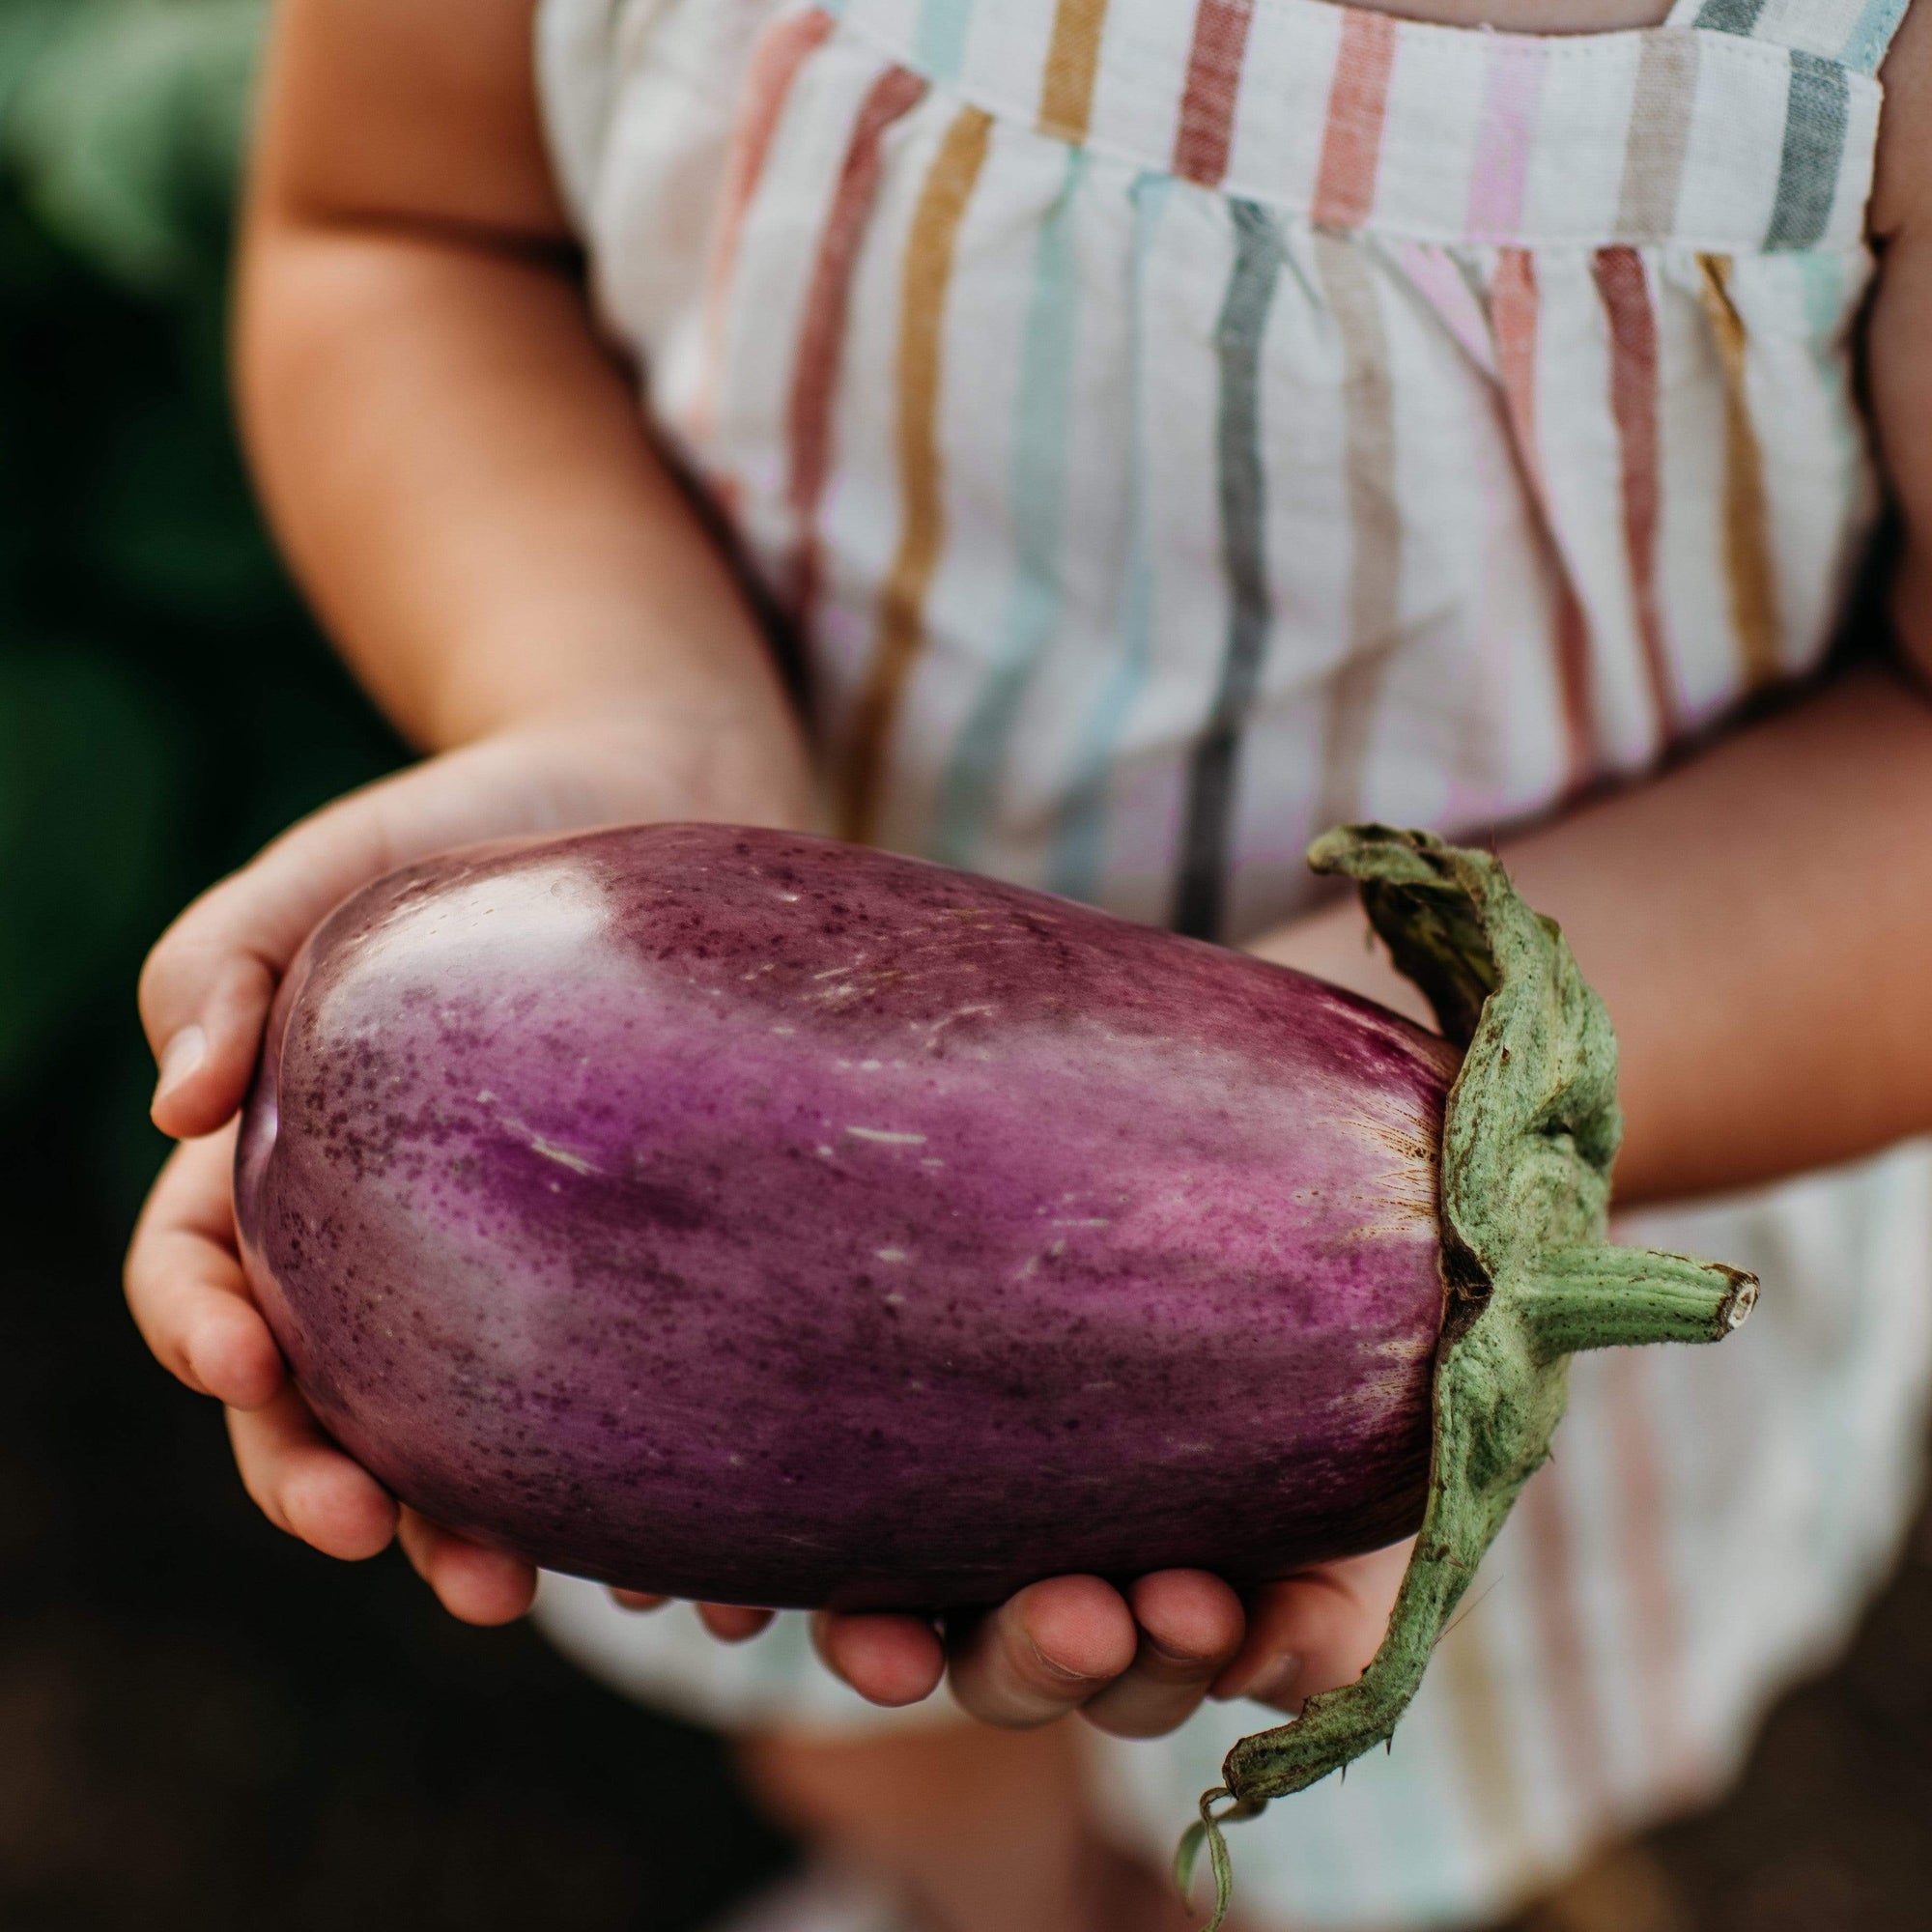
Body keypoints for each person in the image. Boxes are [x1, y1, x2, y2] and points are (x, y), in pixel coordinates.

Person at [124, 0, 1932, 1924]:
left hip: (1633, 1090)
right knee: (858, 1730)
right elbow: (398, 228)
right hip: (671, 1181)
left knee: (1366, 1831)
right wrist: (637, 720)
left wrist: (1365, 1147)